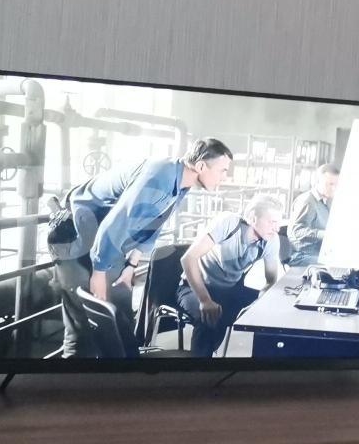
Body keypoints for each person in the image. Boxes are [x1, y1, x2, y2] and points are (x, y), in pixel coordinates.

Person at [46, 138, 234, 357]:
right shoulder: (159, 179)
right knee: (81, 333)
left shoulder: (180, 181)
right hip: (75, 232)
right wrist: (99, 273)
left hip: (101, 238)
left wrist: (131, 265)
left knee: (120, 323)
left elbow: (154, 223)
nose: (225, 177)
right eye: (222, 170)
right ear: (201, 166)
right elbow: (112, 226)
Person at [179, 194, 284, 358]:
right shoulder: (229, 223)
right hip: (195, 288)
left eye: (278, 223)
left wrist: (258, 303)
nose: (277, 228)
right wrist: (205, 300)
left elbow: (271, 281)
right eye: (272, 222)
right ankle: (198, 370)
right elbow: (188, 258)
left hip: (229, 291)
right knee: (208, 319)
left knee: (272, 311)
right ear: (252, 218)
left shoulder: (271, 240)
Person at [287, 164, 339, 266]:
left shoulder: (327, 200)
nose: (334, 188)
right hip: (303, 255)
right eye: (330, 184)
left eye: (336, 184)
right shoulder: (307, 201)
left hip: (319, 252)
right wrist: (325, 234)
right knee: (337, 264)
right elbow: (296, 231)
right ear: (317, 182)